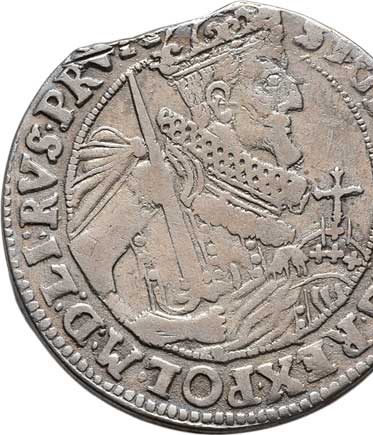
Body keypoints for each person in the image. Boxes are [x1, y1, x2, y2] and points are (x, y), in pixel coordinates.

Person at [68, 4, 311, 355]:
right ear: (220, 102)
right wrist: (183, 330)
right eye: (271, 83)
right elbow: (86, 259)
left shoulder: (252, 189)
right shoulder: (163, 176)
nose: (295, 99)